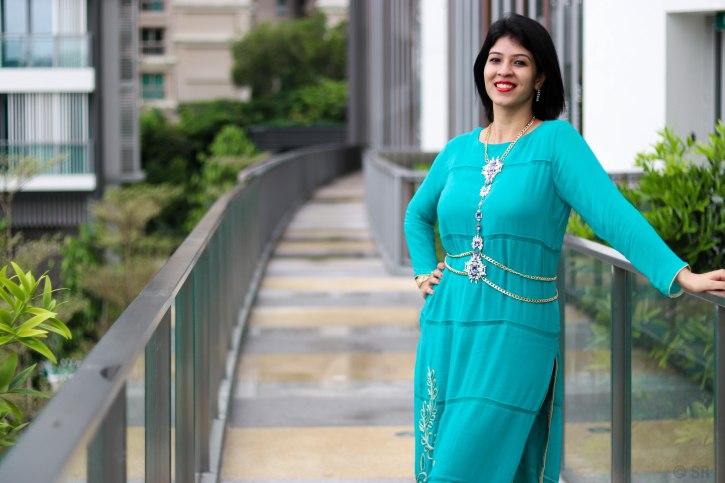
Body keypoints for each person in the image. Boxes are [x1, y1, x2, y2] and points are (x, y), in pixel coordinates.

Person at [404, 13, 725, 483]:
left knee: (461, 467)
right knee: (446, 460)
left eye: (520, 62)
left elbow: (612, 214)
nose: (504, 71)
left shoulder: (556, 142)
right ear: (482, 70)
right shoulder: (457, 151)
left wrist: (679, 274)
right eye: (495, 60)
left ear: (540, 77)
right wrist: (422, 271)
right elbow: (417, 214)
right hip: (447, 324)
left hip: (517, 330)